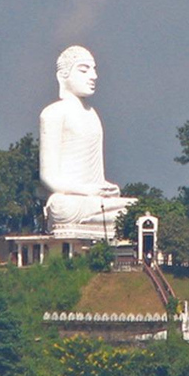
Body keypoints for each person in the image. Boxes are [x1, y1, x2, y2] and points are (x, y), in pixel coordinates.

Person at [39, 45, 136, 238]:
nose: (93, 76)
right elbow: (48, 178)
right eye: (84, 70)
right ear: (62, 76)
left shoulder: (93, 115)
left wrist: (105, 188)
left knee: (134, 207)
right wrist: (87, 190)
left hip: (96, 200)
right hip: (72, 201)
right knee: (60, 206)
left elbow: (95, 174)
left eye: (94, 70)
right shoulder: (53, 113)